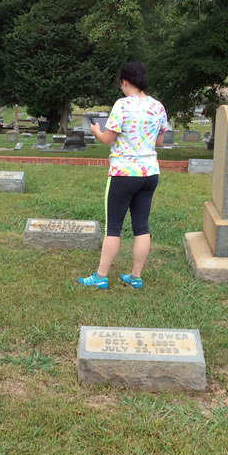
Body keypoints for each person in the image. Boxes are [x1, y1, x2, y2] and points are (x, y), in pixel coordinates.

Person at [77, 62, 167, 289]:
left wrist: (97, 131)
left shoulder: (122, 105)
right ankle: (135, 277)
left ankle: (100, 277)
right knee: (142, 226)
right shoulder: (158, 107)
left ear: (125, 82)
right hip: (150, 173)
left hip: (124, 173)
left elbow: (108, 139)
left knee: (113, 228)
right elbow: (159, 141)